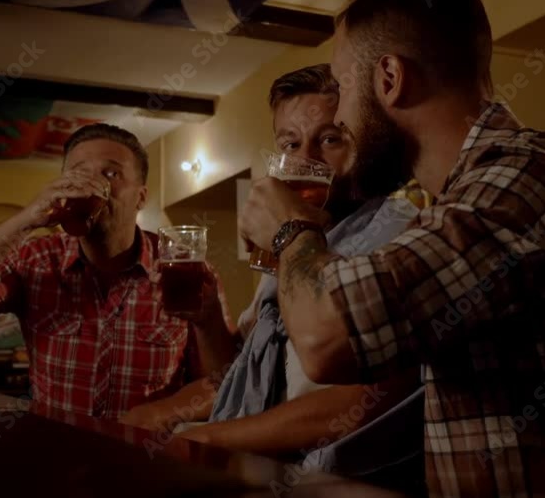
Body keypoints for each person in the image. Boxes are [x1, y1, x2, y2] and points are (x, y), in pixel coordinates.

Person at [238, 0, 545, 497]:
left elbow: (326, 339)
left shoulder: (525, 179)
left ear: (389, 79)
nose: (338, 116)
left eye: (342, 88)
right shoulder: (469, 195)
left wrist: (290, 228)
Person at [122, 65, 427, 490]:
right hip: (270, 475)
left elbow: (362, 399)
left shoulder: (402, 230)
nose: (306, 161)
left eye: (330, 139)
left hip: (343, 484)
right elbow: (241, 376)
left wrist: (208, 438)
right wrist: (207, 321)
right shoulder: (292, 245)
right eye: (290, 144)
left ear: (368, 143)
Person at [0, 123, 234, 420]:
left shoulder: (183, 269)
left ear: (141, 197)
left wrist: (158, 413)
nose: (91, 184)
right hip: (57, 453)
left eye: (111, 173)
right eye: (78, 173)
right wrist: (27, 218)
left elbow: (224, 381)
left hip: (147, 456)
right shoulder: (35, 260)